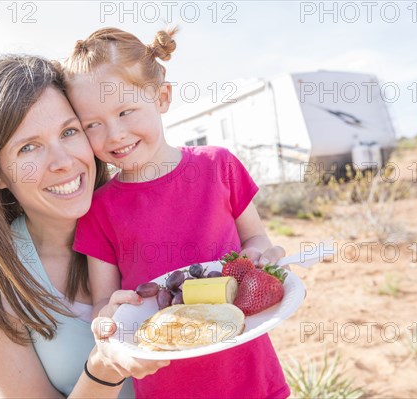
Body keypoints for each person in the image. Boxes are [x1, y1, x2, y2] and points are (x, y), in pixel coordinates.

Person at [63, 28, 291, 398]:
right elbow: (103, 303)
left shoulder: (219, 166)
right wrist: (108, 318)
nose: (115, 133)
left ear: (162, 97)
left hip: (248, 372)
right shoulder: (99, 209)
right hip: (165, 381)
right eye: (93, 124)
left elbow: (255, 237)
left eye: (125, 111)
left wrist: (257, 255)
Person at [0, 54, 168, 398]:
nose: (64, 162)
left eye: (69, 131)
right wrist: (104, 367)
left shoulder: (153, 215)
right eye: (29, 147)